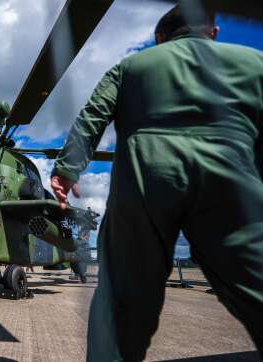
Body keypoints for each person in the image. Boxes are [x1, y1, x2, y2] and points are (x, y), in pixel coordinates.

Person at [50, 5, 263, 360]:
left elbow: (92, 115)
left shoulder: (130, 67)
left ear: (160, 39)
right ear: (213, 32)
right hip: (232, 176)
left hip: (145, 174)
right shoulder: (254, 62)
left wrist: (67, 169)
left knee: (123, 301)